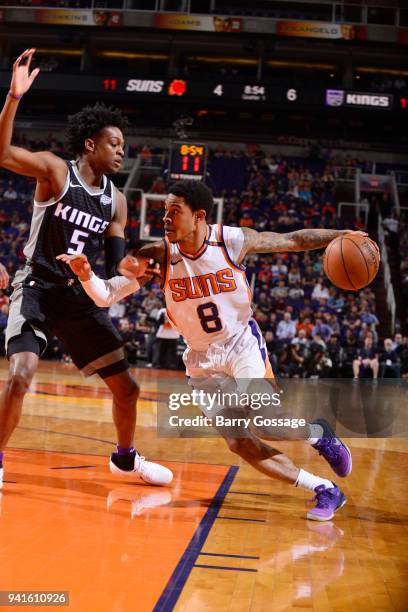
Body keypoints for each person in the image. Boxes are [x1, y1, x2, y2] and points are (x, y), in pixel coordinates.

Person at [58, 180, 374, 522]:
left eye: (174, 211)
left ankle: (318, 434)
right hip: (200, 360)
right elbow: (106, 296)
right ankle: (324, 489)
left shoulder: (232, 240)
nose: (165, 218)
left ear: (199, 216)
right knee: (240, 443)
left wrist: (342, 233)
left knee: (267, 422)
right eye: (164, 210)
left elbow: (294, 240)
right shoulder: (160, 256)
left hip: (240, 345)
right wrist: (87, 275)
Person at [0, 48, 172, 490]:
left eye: (124, 146)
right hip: (36, 287)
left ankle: (124, 458)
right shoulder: (56, 173)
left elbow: (117, 263)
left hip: (77, 294)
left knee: (128, 389)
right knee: (20, 375)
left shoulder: (116, 200)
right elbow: (2, 154)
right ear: (91, 144)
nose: (121, 152)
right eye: (114, 144)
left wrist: (141, 266)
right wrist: (14, 98)